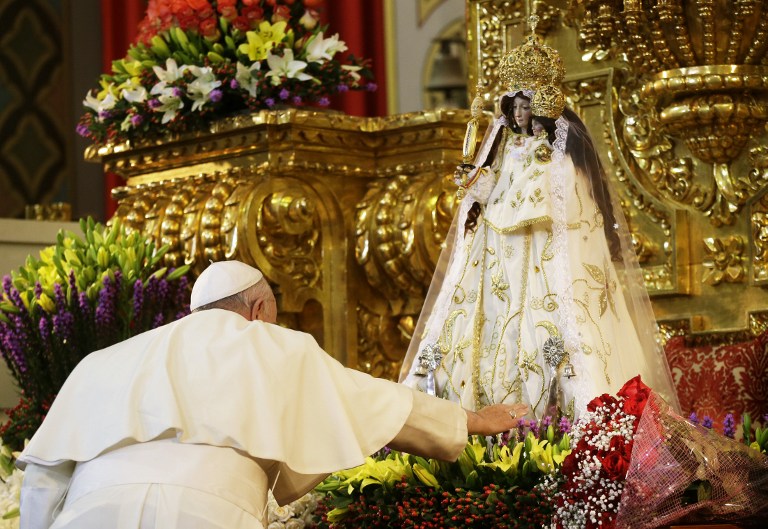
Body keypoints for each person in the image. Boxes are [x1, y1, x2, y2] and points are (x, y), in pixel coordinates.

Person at [17, 260, 528, 529]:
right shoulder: (270, 343)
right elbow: (379, 402)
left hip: (89, 517)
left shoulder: (106, 360)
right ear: (261, 309)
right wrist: (472, 421)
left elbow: (43, 476)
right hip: (209, 518)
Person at [400, 31, 679, 420]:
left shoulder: (559, 154)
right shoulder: (507, 147)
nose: (517, 115)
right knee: (490, 330)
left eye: (524, 108)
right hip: (498, 253)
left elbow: (567, 200)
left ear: (540, 109)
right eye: (513, 108)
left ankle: (555, 419)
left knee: (546, 330)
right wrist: (473, 182)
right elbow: (491, 188)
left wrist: (535, 201)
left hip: (542, 253)